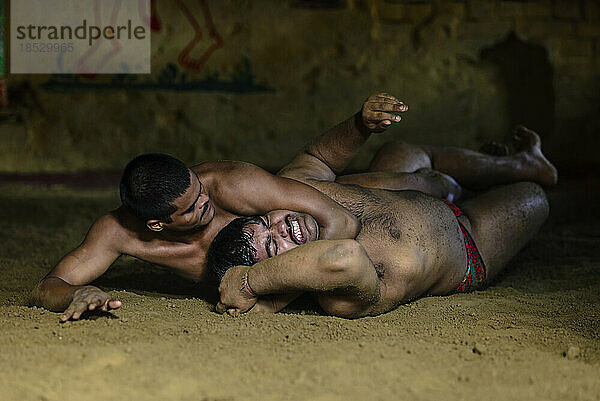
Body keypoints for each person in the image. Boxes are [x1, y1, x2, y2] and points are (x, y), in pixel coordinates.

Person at [31, 93, 413, 322]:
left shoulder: (229, 182)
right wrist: (75, 295)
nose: (205, 203)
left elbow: (340, 218)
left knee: (423, 183)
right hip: (304, 240)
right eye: (192, 209)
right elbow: (48, 287)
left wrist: (272, 298)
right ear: (157, 225)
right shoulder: (114, 233)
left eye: (200, 191)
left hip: (327, 207)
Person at [209, 124, 556, 318]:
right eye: (274, 245)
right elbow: (342, 257)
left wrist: (362, 121)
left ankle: (508, 164)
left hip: (408, 190)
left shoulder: (292, 195)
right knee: (533, 195)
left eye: (266, 221)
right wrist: (252, 282)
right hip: (467, 240)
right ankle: (496, 174)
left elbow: (316, 156)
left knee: (405, 149)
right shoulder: (340, 296)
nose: (281, 227)